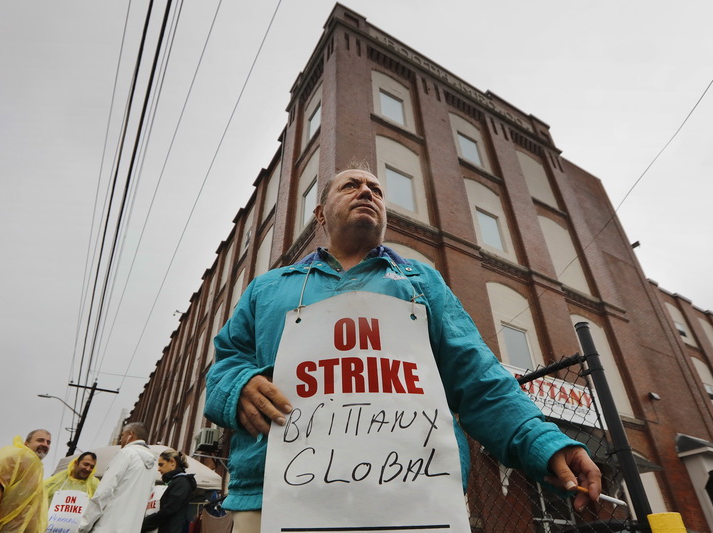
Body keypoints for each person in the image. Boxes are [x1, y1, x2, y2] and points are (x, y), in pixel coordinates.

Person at [205, 166, 603, 532]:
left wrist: (544, 443)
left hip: (416, 496)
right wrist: (238, 385)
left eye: (376, 189)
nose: (367, 191)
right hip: (276, 497)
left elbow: (479, 378)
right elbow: (225, 365)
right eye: (351, 185)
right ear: (321, 214)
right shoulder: (267, 289)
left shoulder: (422, 284)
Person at [78, 422, 156, 533]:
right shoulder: (153, 464)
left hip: (107, 527)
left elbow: (104, 492)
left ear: (130, 435)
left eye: (122, 436)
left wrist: (83, 526)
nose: (120, 440)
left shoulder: (126, 453)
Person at [141, 449, 197, 533]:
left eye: (161, 464)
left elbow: (169, 510)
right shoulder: (175, 482)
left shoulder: (181, 483)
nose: (158, 469)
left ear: (172, 462)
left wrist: (144, 524)